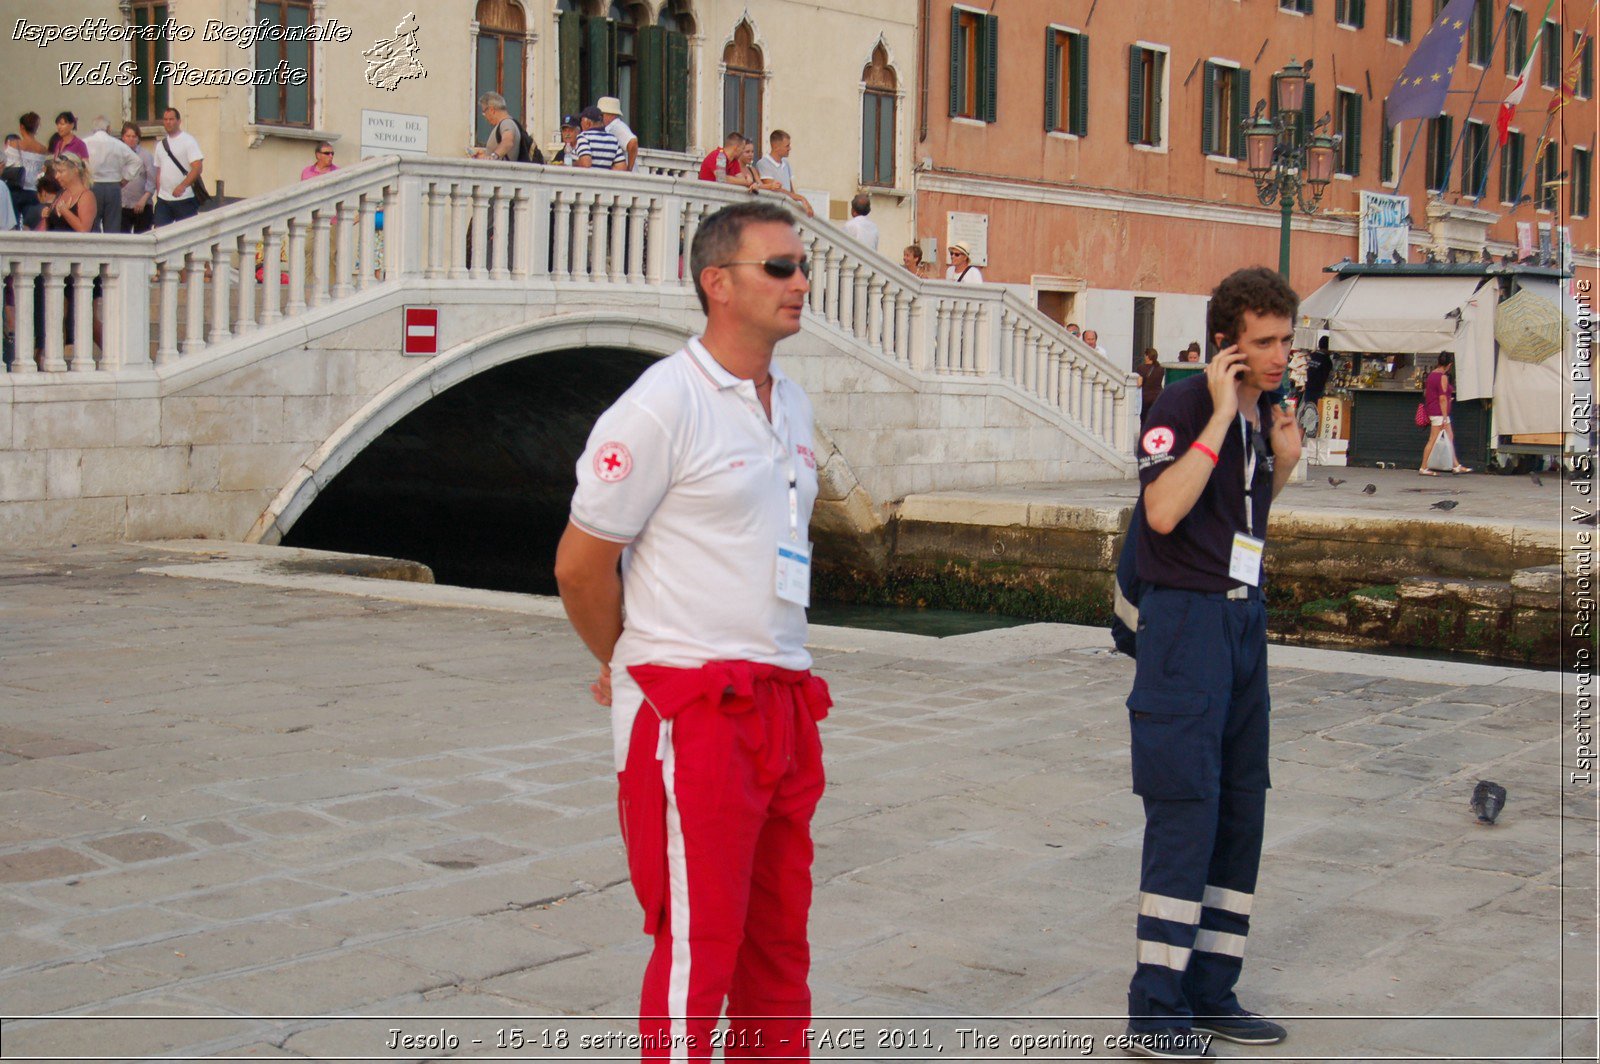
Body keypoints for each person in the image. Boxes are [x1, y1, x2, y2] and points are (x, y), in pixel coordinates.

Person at [555, 201, 829, 1061]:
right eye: (778, 268)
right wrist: (626, 659)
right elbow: (578, 566)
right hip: (694, 707)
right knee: (699, 943)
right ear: (718, 283)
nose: (801, 282)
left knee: (778, 939)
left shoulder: (792, 404)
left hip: (782, 696)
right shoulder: (660, 406)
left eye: (801, 265)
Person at [1122, 266, 1301, 1059]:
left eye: (1286, 341)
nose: (1280, 357)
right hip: (1185, 628)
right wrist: (1222, 416)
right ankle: (1155, 1012)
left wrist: (1283, 462)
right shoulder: (1185, 404)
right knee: (1186, 809)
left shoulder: (1269, 413)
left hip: (1242, 618)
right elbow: (1163, 511)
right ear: (1227, 343)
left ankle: (1211, 990)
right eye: (1264, 344)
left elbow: (1242, 522)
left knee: (1239, 807)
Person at [82, 116, 143, 233]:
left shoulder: (85, 142)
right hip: (114, 186)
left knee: (92, 222)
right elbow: (137, 161)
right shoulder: (117, 144)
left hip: (92, 184)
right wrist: (126, 178)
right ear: (108, 128)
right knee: (112, 224)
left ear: (93, 129)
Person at [1419, 351, 1470, 475]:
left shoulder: (1431, 375)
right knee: (1433, 439)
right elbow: (1442, 398)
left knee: (1449, 436)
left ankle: (1456, 465)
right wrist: (1444, 416)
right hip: (1439, 413)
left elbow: (1430, 393)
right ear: (1449, 364)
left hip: (1434, 410)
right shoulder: (1443, 377)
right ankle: (1423, 467)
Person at [153, 108, 204, 227]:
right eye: (165, 119)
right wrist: (159, 193)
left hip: (185, 199)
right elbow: (159, 171)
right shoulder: (161, 145)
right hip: (164, 200)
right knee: (160, 234)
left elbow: (197, 168)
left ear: (179, 121)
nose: (168, 122)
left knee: (186, 236)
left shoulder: (188, 141)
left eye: (171, 119)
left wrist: (182, 186)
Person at [754, 130, 815, 217]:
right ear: (776, 147)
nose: (789, 148)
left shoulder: (786, 163)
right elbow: (775, 189)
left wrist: (798, 203)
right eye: (787, 146)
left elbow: (791, 190)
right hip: (773, 213)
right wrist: (801, 198)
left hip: (786, 211)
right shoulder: (763, 163)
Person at [473, 92, 542, 163]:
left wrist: (492, 157)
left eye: (484, 112)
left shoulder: (506, 123)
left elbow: (508, 141)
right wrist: (485, 154)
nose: (485, 117)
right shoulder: (507, 124)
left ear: (491, 110)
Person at [118, 122, 158, 233]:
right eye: (128, 136)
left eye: (134, 136)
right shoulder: (118, 155)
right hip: (123, 205)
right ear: (123, 137)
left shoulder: (146, 156)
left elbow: (152, 179)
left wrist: (144, 199)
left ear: (138, 138)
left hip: (142, 206)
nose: (131, 139)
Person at [597, 96, 638, 171]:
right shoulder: (612, 127)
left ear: (611, 114)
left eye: (602, 114)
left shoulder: (617, 127)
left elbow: (633, 142)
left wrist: (629, 169)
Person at [1138, 347, 1165, 423]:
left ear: (1147, 356)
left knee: (1144, 420)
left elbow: (1139, 383)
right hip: (1158, 396)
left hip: (1146, 397)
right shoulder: (1161, 368)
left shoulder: (1141, 368)